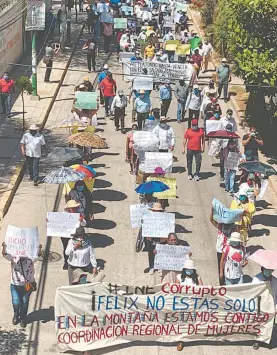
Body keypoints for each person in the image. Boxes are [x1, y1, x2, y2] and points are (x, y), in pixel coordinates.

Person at [2, 241, 42, 327]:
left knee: (24, 302)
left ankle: (23, 318)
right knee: (16, 302)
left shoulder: (30, 257)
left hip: (28, 285)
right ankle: (16, 315)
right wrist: (4, 246)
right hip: (15, 284)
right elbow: (5, 254)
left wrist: (39, 248)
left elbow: (38, 256)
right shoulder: (13, 257)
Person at [210, 210, 236, 285]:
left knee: (228, 266)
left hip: (229, 250)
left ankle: (228, 282)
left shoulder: (233, 228)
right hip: (220, 250)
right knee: (221, 267)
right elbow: (211, 220)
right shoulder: (220, 226)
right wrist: (212, 211)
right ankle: (221, 283)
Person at [144, 202, 164, 275]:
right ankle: (152, 267)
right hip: (150, 239)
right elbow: (145, 229)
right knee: (151, 253)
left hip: (162, 239)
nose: (156, 212)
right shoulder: (148, 218)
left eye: (158, 210)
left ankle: (160, 267)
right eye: (155, 210)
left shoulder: (165, 219)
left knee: (161, 253)